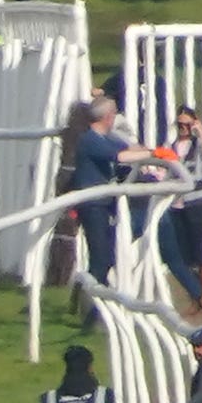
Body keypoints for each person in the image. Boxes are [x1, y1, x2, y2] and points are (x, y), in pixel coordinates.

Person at [155, 103, 202, 311]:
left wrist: (201, 134)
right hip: (177, 206)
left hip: (199, 204)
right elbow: (162, 172)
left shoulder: (200, 144)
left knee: (199, 251)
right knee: (184, 255)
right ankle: (197, 296)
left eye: (187, 124)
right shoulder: (171, 146)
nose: (183, 128)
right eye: (180, 125)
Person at [60, 97, 129, 283]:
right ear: (107, 117)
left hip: (102, 203)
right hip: (93, 206)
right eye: (113, 115)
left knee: (105, 259)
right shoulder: (90, 140)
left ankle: (86, 301)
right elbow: (120, 156)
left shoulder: (104, 138)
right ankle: (93, 306)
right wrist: (152, 154)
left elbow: (128, 148)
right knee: (101, 260)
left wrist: (144, 150)